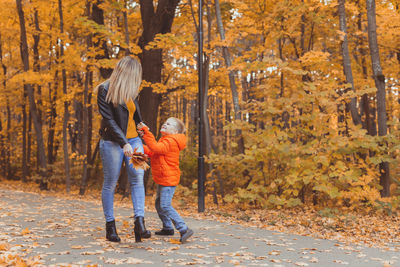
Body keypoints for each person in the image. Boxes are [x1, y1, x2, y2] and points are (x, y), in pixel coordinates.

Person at [96, 56, 151, 243]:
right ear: (126, 72)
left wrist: (141, 124)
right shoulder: (104, 89)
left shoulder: (132, 90)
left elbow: (134, 114)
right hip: (112, 141)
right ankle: (110, 227)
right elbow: (109, 121)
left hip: (134, 140)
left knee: (138, 178)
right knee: (110, 182)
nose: (137, 79)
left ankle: (139, 223)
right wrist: (123, 143)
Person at [138, 118, 194, 243]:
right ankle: (168, 227)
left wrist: (146, 133)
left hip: (168, 179)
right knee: (159, 205)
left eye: (168, 124)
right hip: (164, 178)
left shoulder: (171, 141)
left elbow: (156, 148)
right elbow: (153, 152)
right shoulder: (165, 140)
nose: (164, 124)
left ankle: (184, 228)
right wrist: (138, 146)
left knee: (165, 205)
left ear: (175, 131)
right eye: (165, 122)